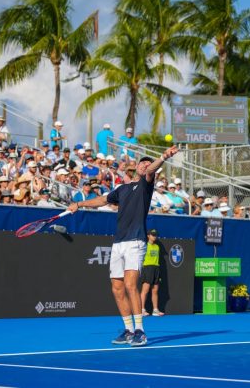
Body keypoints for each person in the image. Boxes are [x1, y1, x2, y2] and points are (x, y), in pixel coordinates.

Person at [68, 145, 179, 347]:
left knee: (130, 285)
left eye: (149, 164)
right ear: (136, 166)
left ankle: (140, 331)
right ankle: (128, 330)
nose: (146, 166)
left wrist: (163, 156)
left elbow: (153, 169)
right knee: (117, 288)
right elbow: (102, 199)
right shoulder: (122, 189)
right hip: (118, 242)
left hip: (135, 241)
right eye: (143, 163)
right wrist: (80, 205)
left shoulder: (146, 184)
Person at [140, 229, 164, 317]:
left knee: (155, 290)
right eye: (153, 235)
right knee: (145, 290)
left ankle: (155, 310)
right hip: (147, 268)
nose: (154, 236)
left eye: (155, 235)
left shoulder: (157, 247)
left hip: (156, 268)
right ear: (148, 236)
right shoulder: (145, 245)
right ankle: (141, 310)